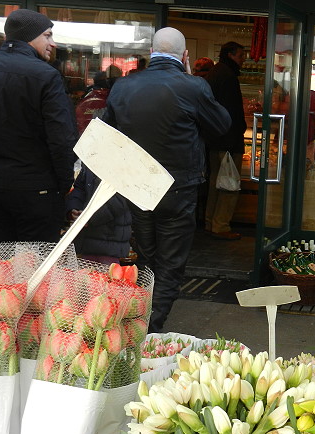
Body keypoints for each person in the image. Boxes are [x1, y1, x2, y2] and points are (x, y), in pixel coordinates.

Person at [102, 27, 231, 333]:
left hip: (137, 188)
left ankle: (138, 325)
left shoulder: (123, 86)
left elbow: (107, 132)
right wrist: (191, 81)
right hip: (177, 190)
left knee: (147, 259)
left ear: (151, 52)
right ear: (184, 56)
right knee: (170, 265)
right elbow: (222, 125)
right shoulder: (193, 86)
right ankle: (147, 330)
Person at [0, 9, 77, 242]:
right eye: (47, 35)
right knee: (34, 267)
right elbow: (61, 139)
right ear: (29, 36)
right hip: (37, 191)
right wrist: (65, 183)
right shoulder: (46, 76)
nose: (53, 43)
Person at [204, 41, 247, 240]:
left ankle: (210, 222)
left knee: (215, 183)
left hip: (215, 139)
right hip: (228, 140)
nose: (243, 59)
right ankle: (221, 225)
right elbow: (231, 111)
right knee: (229, 184)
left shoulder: (215, 72)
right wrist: (236, 135)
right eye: (241, 55)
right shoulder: (228, 76)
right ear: (230, 55)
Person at [66, 165, 131, 265]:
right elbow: (79, 188)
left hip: (111, 239)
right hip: (86, 239)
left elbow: (120, 199)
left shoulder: (125, 162)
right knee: (84, 276)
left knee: (107, 278)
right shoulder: (91, 158)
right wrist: (74, 208)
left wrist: (90, 217)